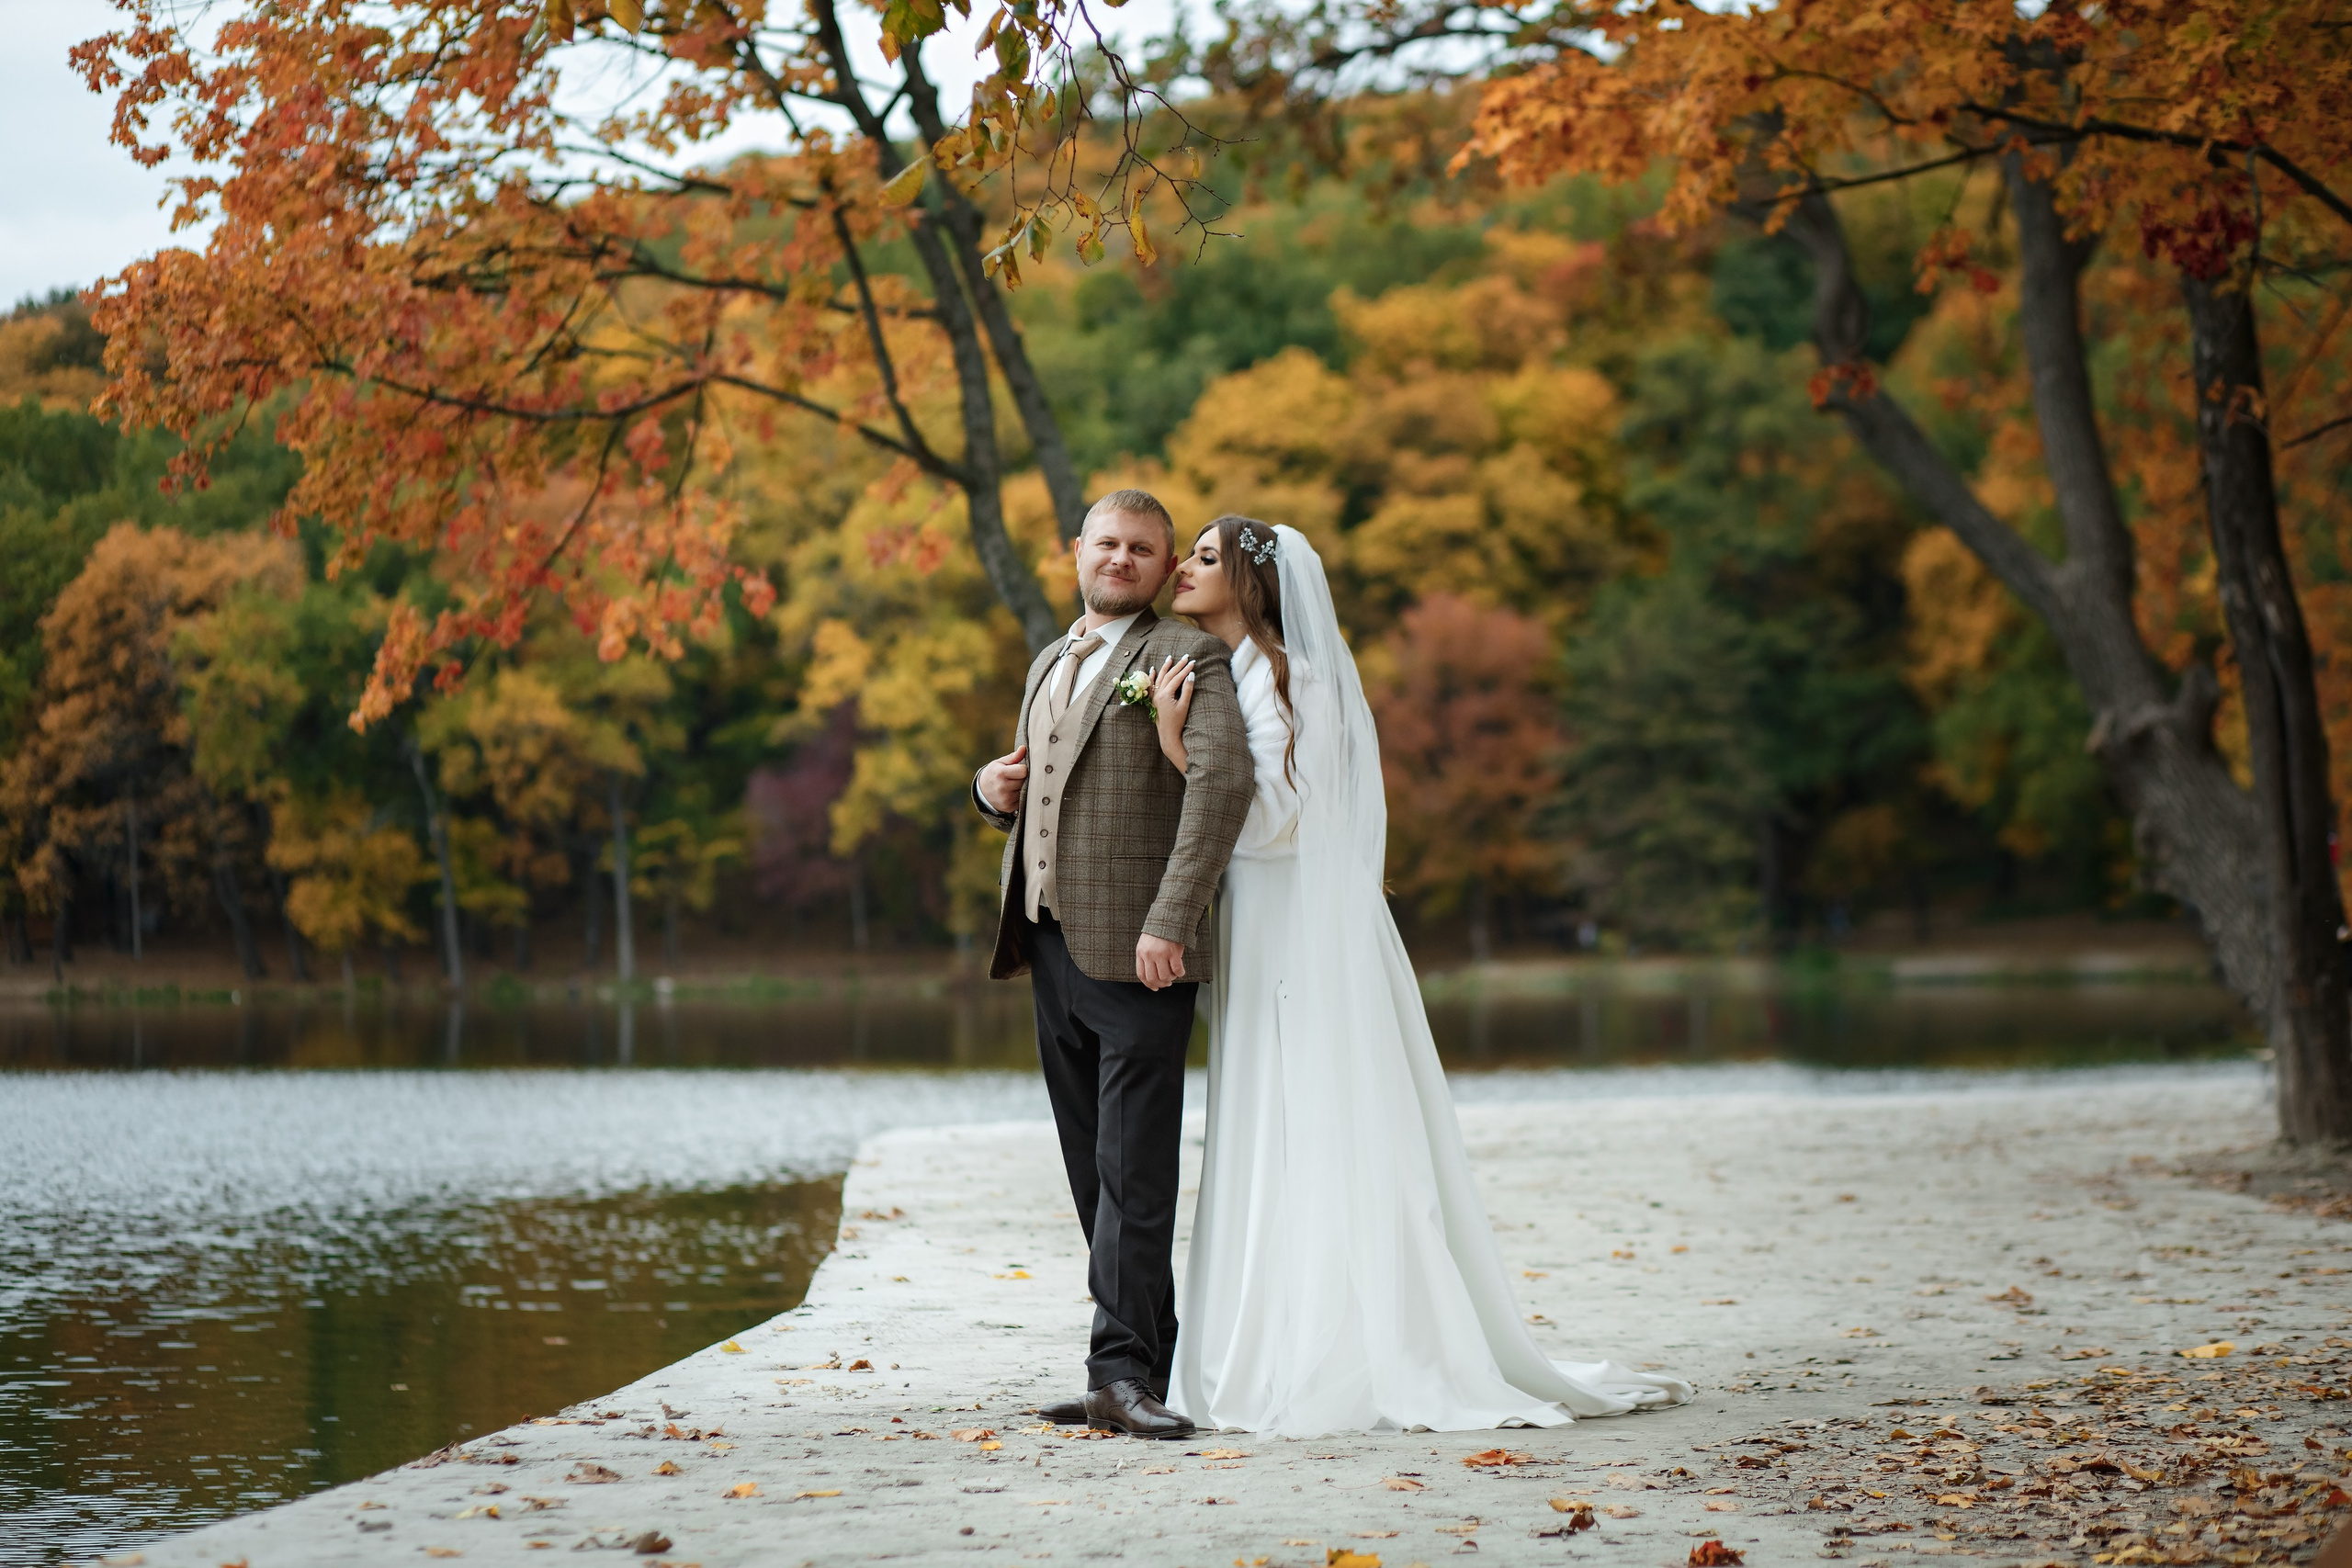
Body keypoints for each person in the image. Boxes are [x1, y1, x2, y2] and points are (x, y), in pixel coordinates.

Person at [1146, 515, 1694, 1436]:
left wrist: (1174, 746)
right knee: (1275, 1117)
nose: (1181, 569)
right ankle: (1274, 1327)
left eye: (1203, 558)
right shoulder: (1235, 671)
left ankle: (1337, 1344)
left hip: (1291, 924)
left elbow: (1275, 821)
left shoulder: (1291, 679)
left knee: (1311, 1116)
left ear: (1249, 582)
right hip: (1262, 919)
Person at [971, 489, 1254, 1440]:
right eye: (1108, 542)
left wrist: (1172, 919)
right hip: (1048, 942)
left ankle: (1119, 1372)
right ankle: (1134, 1364)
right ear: (1075, 552)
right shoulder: (1050, 659)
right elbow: (1044, 790)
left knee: (1135, 1173)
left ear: (1161, 564)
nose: (1123, 558)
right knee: (1094, 1173)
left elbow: (1220, 791)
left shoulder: (1187, 655)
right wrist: (989, 792)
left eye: (1143, 548)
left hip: (1142, 954)